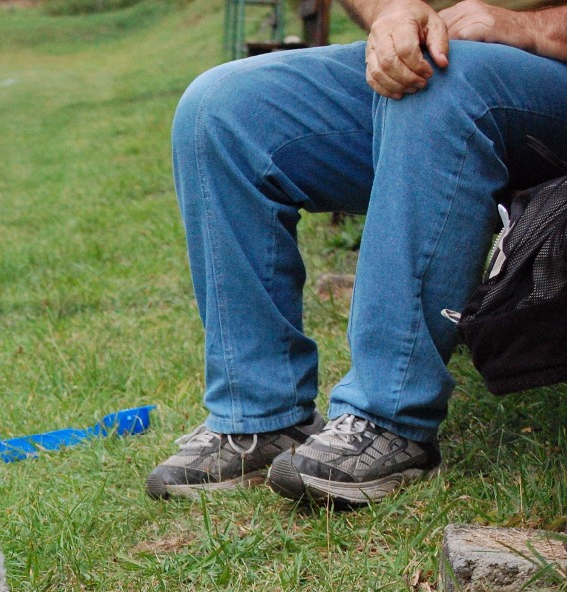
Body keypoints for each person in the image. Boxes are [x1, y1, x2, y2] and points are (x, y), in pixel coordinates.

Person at [145, 0, 567, 506]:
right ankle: (260, 417)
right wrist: (391, 12)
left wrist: (532, 27)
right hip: (450, 73)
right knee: (219, 108)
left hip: (528, 76)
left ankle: (388, 415)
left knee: (435, 79)